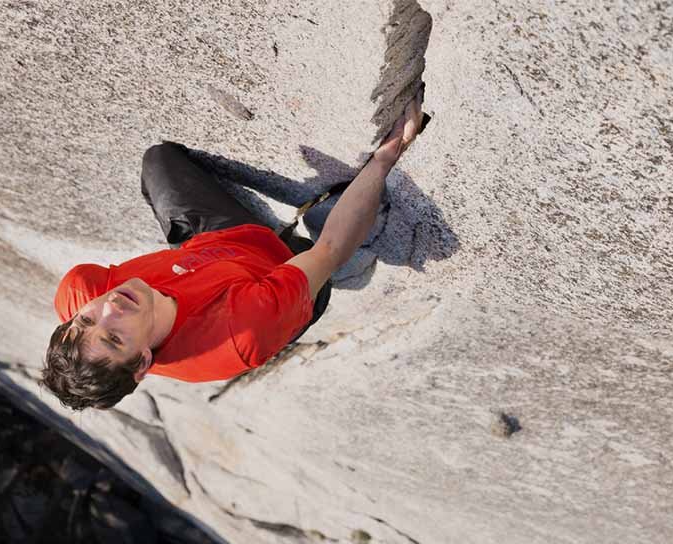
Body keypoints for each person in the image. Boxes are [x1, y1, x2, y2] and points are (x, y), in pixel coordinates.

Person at [41, 88, 426, 410]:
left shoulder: (81, 291)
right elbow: (329, 249)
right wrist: (385, 158)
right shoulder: (240, 331)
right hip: (272, 275)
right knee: (309, 244)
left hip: (209, 244)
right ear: (143, 360)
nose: (110, 308)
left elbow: (94, 315)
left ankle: (202, 253)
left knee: (160, 161)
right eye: (115, 337)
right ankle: (291, 263)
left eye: (86, 321)